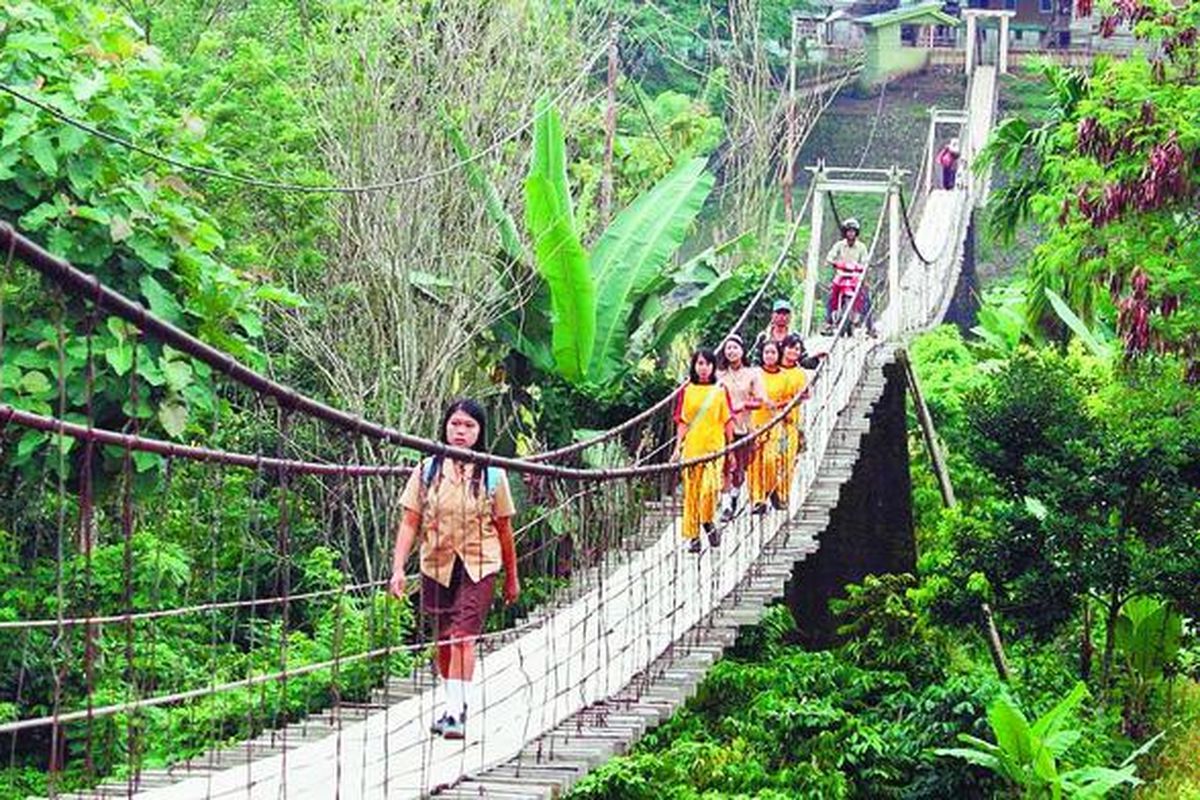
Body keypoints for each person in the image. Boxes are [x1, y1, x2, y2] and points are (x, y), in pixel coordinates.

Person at [389, 399, 521, 741]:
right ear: (445, 426)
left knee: (463, 635)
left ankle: (454, 713)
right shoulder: (427, 470)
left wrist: (512, 577)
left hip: (480, 562)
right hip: (437, 562)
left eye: (469, 426)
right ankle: (454, 704)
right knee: (444, 638)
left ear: (480, 432)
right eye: (455, 424)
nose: (461, 432)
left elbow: (505, 529)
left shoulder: (493, 474)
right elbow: (409, 522)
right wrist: (398, 568)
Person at [672, 348, 734, 553]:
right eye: (700, 363)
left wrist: (731, 449)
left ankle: (707, 522)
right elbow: (683, 421)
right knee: (692, 493)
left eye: (707, 364)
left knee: (709, 490)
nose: (704, 368)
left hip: (714, 449)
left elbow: (727, 421)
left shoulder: (720, 390)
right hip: (692, 448)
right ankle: (694, 537)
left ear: (713, 366)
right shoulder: (686, 390)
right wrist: (676, 448)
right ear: (694, 366)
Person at [748, 339, 802, 514]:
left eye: (773, 352)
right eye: (766, 352)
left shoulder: (784, 377)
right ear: (761, 355)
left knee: (770, 460)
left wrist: (778, 405)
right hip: (756, 423)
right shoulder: (754, 375)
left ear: (778, 354)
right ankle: (758, 500)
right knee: (755, 464)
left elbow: (794, 399)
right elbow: (745, 397)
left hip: (775, 424)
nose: (769, 356)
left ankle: (774, 491)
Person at [716, 334, 764, 523]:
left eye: (735, 347)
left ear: (742, 350)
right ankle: (727, 505)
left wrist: (743, 405)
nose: (731, 351)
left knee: (741, 468)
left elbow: (759, 402)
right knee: (726, 466)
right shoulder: (719, 375)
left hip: (744, 427)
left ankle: (735, 494)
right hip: (722, 428)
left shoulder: (752, 374)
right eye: (728, 348)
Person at [820, 219, 876, 337]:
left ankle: (870, 327)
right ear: (844, 233)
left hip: (856, 276)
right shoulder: (839, 245)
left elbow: (866, 261)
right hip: (841, 275)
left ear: (856, 233)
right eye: (848, 231)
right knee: (831, 296)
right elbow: (830, 257)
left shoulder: (861, 247)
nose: (851, 234)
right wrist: (832, 262)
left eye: (853, 231)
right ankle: (828, 323)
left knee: (865, 297)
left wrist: (865, 267)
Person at [775, 334, 810, 508]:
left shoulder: (800, 373)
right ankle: (771, 491)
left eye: (797, 349)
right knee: (774, 458)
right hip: (771, 421)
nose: (794, 352)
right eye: (791, 347)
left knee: (788, 458)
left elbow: (806, 394)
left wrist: (793, 401)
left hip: (791, 423)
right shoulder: (773, 370)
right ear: (783, 348)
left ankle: (783, 495)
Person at [752, 298, 824, 369]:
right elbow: (756, 361)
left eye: (785, 314)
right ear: (773, 315)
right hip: (767, 376)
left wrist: (815, 358)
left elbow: (802, 360)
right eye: (779, 313)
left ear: (790, 316)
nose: (782, 317)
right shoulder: (764, 337)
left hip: (789, 376)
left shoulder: (795, 336)